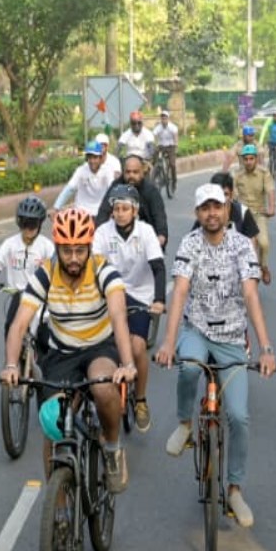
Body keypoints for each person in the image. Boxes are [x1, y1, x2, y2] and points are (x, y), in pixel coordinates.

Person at [156, 184, 276, 527]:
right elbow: (179, 292)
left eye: (217, 207)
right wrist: (168, 342)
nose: (211, 213)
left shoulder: (242, 245)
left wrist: (266, 347)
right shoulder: (189, 243)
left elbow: (251, 295)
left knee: (239, 417)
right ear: (197, 214)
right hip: (196, 331)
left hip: (231, 340)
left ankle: (235, 489)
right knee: (190, 368)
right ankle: (184, 423)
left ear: (227, 210)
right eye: (204, 208)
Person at [0, 208, 135, 491]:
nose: (73, 259)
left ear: (88, 247)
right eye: (66, 251)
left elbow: (119, 316)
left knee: (102, 386)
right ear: (57, 248)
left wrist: (127, 362)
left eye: (79, 250)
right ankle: (58, 510)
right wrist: (12, 364)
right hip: (61, 354)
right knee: (54, 426)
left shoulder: (103, 270)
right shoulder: (46, 274)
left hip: (100, 347)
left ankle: (112, 448)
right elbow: (19, 323)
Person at [93, 184, 166, 432]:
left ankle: (141, 399)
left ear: (135, 210)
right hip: (109, 292)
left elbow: (158, 268)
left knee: (136, 347)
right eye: (116, 209)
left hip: (139, 295)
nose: (120, 213)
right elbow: (93, 267)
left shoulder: (146, 232)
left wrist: (159, 300)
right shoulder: (102, 232)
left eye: (125, 208)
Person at [0, 195, 56, 335]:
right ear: (19, 222)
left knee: (45, 338)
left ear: (40, 223)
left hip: (40, 300)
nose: (28, 228)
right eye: (25, 223)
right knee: (9, 329)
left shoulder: (46, 246)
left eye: (32, 223)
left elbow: (57, 270)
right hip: (18, 298)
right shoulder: (10, 244)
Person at [94, 152, 168, 249]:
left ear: (142, 173)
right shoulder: (115, 187)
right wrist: (98, 236)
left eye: (135, 172)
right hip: (119, 241)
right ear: (123, 172)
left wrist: (160, 238)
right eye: (128, 172)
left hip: (145, 243)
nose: (131, 175)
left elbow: (159, 217)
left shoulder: (151, 191)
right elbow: (103, 212)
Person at [231, 143, 276, 284]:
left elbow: (270, 191)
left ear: (256, 159)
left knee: (263, 243)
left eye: (251, 158)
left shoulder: (264, 173)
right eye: (246, 159)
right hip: (243, 215)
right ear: (242, 160)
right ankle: (245, 274)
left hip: (258, 213)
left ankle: (263, 266)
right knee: (242, 247)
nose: (249, 162)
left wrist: (271, 208)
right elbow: (232, 195)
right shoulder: (237, 175)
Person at [54, 141, 116, 217]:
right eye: (90, 157)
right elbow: (70, 189)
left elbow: (113, 190)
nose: (92, 161)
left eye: (95, 157)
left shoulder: (107, 171)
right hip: (80, 212)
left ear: (100, 158)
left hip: (100, 211)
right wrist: (56, 208)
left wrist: (115, 208)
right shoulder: (81, 170)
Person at [205, 171, 262, 246]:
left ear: (231, 195)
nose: (222, 199)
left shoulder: (243, 213)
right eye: (218, 194)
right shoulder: (206, 215)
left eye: (225, 194)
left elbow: (252, 244)